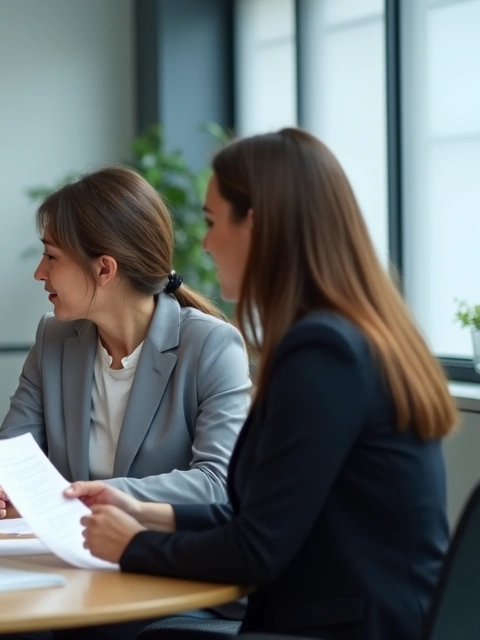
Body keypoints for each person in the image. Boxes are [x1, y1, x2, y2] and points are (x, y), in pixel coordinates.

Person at [75, 128, 456, 640]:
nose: (205, 243)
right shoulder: (353, 336)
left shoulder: (324, 353)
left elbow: (256, 551)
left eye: (212, 222)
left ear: (254, 223)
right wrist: (150, 514)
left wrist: (131, 545)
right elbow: (264, 517)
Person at [0, 166, 250, 523]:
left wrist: (100, 496)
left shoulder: (212, 347)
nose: (39, 272)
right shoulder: (52, 340)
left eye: (52, 256)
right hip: (68, 563)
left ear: (105, 269)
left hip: (163, 562)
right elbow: (12, 458)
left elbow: (219, 482)